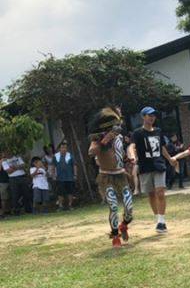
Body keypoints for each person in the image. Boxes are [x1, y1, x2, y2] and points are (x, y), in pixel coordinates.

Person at [87, 107, 133, 248]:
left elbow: (123, 152)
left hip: (121, 175)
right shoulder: (97, 138)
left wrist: (129, 158)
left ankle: (124, 225)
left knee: (129, 207)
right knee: (113, 206)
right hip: (106, 177)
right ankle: (115, 236)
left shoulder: (121, 138)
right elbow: (91, 152)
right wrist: (104, 141)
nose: (117, 126)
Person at [132, 106, 177, 233]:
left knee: (160, 192)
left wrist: (169, 159)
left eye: (153, 115)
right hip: (145, 167)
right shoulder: (137, 133)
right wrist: (132, 156)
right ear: (143, 117)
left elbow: (162, 147)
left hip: (159, 165)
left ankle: (162, 221)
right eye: (149, 115)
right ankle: (158, 218)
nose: (152, 117)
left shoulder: (158, 131)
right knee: (151, 194)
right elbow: (132, 146)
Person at [54, 141, 77, 210]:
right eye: (62, 148)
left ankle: (70, 205)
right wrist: (53, 175)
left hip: (69, 177)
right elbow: (53, 166)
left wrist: (75, 174)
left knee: (70, 192)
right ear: (59, 149)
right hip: (60, 177)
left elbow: (74, 165)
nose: (63, 149)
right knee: (60, 192)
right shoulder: (56, 156)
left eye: (65, 148)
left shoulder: (70, 156)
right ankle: (60, 206)